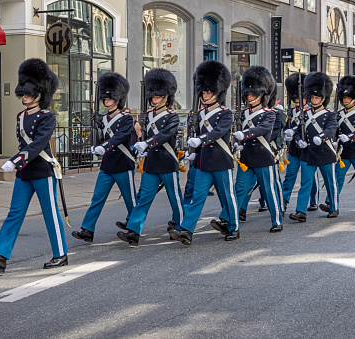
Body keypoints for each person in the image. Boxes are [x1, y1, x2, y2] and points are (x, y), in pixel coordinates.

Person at [0, 58, 68, 272]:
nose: (25, 96)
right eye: (24, 93)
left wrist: (16, 160)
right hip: (25, 172)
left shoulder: (47, 117)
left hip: (43, 171)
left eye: (29, 93)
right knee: (15, 213)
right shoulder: (20, 116)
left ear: (39, 93)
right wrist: (19, 164)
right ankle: (0, 257)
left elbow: (38, 144)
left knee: (50, 213)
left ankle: (61, 254)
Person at [168, 60, 238, 245]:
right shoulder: (197, 114)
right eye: (204, 91)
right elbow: (194, 134)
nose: (205, 94)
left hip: (221, 161)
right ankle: (186, 230)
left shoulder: (225, 113)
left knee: (227, 197)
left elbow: (218, 132)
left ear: (217, 93)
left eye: (209, 91)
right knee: (196, 197)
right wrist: (193, 150)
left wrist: (201, 140)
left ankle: (233, 227)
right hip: (204, 161)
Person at [116, 68, 184, 246]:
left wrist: (147, 144)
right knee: (144, 198)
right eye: (152, 97)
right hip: (152, 163)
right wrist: (142, 146)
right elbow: (145, 135)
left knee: (174, 198)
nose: (154, 99)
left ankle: (182, 226)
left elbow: (165, 135)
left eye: (157, 97)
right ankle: (134, 231)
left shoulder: (172, 117)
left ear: (166, 97)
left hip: (168, 161)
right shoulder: (146, 116)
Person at [71, 72, 137, 243]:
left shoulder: (126, 119)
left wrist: (104, 146)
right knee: (97, 198)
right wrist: (96, 144)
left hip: (123, 163)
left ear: (117, 100)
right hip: (108, 165)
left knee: (131, 201)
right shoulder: (103, 118)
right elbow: (104, 138)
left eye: (109, 99)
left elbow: (120, 137)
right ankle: (88, 229)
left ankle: (134, 230)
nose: (106, 102)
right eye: (105, 100)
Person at [232, 66, 283, 232]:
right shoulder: (242, 113)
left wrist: (244, 134)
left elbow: (262, 129)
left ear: (262, 95)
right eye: (247, 94)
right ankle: (231, 222)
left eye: (252, 94)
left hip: (263, 156)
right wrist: (237, 142)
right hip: (246, 157)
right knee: (239, 189)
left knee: (269, 190)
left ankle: (277, 221)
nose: (249, 96)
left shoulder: (269, 113)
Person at [289, 72, 338, 222]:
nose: (314, 99)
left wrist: (321, 137)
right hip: (308, 152)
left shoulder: (330, 114)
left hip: (324, 151)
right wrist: (298, 140)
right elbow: (298, 131)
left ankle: (333, 207)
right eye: (312, 97)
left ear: (323, 98)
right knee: (305, 183)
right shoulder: (304, 114)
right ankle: (301, 211)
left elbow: (331, 129)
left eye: (317, 97)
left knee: (330, 182)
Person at [321, 75, 355, 213]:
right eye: (343, 98)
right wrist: (334, 141)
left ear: (354, 98)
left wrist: (349, 136)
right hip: (343, 151)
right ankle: (330, 202)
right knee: (337, 177)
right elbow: (334, 130)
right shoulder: (338, 114)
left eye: (348, 98)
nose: (345, 100)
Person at [282, 73, 319, 214]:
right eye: (295, 98)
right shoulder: (291, 112)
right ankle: (284, 202)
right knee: (289, 175)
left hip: (308, 149)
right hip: (294, 149)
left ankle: (313, 200)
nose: (297, 100)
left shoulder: (312, 112)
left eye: (299, 98)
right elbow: (286, 127)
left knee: (309, 178)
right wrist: (287, 133)